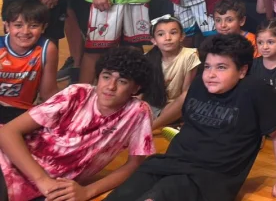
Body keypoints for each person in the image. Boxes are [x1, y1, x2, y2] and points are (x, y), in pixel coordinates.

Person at [106, 34, 276, 201]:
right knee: (124, 193)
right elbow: (182, 105)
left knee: (159, 194)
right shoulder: (199, 84)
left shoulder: (255, 90)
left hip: (210, 177)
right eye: (207, 66)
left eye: (221, 67)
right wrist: (152, 125)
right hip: (171, 163)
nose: (211, 74)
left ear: (242, 71)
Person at [0, 46, 164, 201]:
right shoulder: (76, 94)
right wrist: (42, 180)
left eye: (122, 81)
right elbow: (7, 132)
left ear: (135, 88)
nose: (111, 86)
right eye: (106, 77)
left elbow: (134, 164)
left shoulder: (138, 112)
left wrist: (88, 191)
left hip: (55, 186)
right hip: (14, 160)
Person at [0, 2, 58, 124]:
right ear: (7, 26)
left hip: (23, 112)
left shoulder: (47, 49)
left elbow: (48, 93)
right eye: (18, 25)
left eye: (33, 26)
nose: (25, 31)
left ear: (43, 27)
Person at [146, 15, 198, 129]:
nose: (167, 38)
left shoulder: (189, 55)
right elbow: (143, 91)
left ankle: (150, 127)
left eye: (173, 33)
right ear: (154, 40)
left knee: (187, 96)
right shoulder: (148, 58)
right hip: (155, 106)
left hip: (177, 107)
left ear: (182, 36)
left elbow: (186, 92)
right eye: (161, 34)